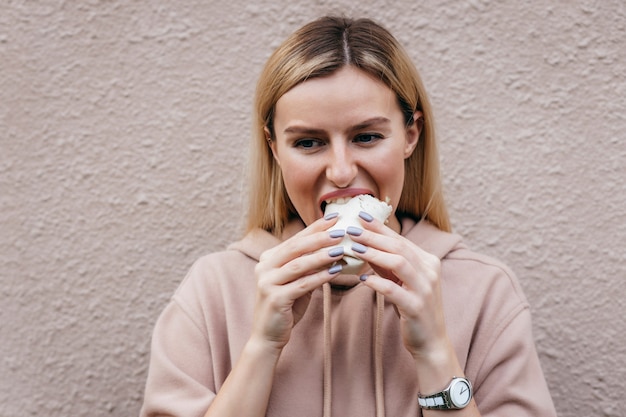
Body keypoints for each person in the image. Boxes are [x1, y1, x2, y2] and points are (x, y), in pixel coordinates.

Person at [139, 16, 556, 417]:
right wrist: (261, 347)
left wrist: (434, 354)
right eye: (308, 142)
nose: (340, 171)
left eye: (367, 137)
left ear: (410, 136)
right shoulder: (213, 290)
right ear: (274, 150)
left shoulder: (485, 292)